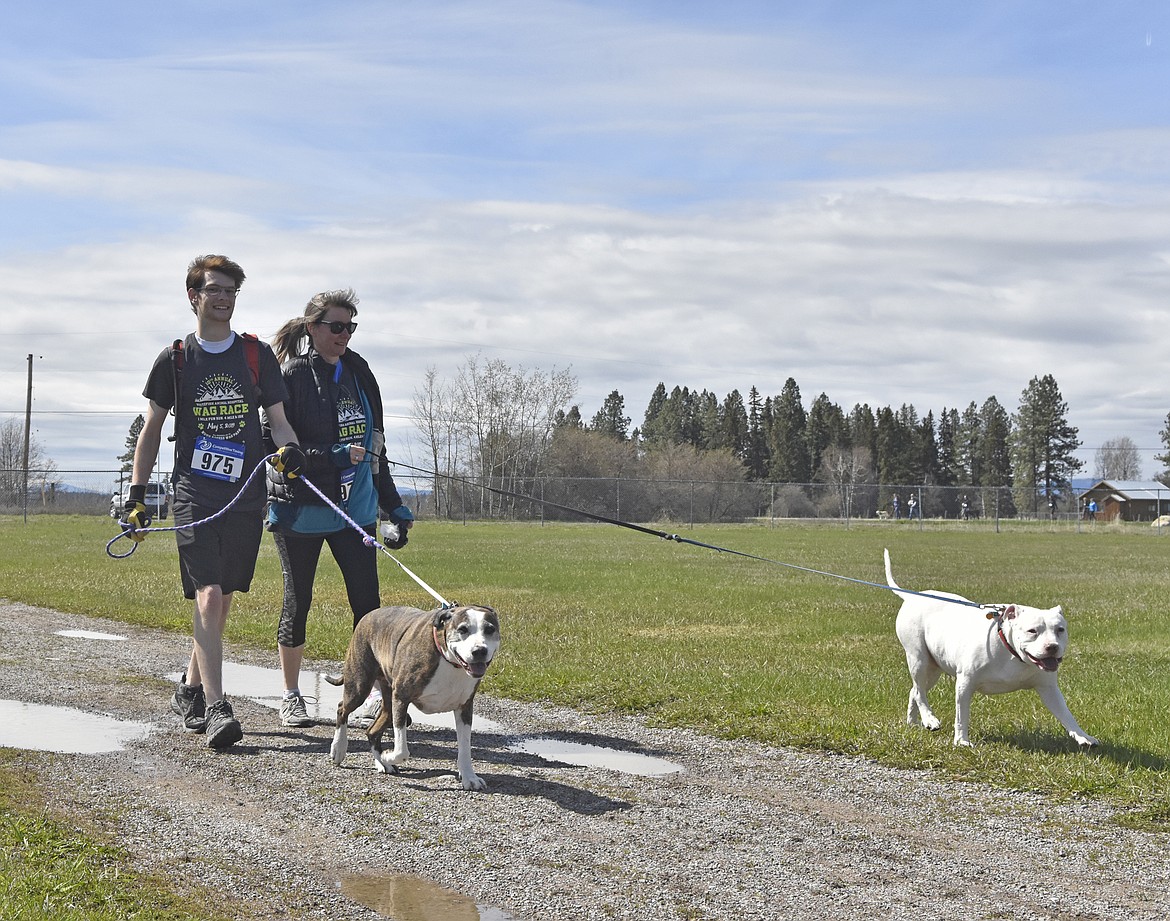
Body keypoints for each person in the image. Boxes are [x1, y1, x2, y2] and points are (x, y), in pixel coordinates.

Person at [125, 255, 302, 750]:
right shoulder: (176, 359)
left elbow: (279, 421)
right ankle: (221, 708)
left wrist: (289, 452)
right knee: (207, 595)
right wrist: (136, 499)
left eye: (230, 291)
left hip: (245, 494)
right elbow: (151, 431)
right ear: (193, 296)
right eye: (214, 290)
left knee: (221, 600)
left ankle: (190, 688)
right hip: (194, 495)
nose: (222, 298)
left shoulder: (254, 355)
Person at [265, 288, 415, 728]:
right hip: (302, 509)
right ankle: (292, 696)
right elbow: (272, 445)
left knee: (369, 608)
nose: (343, 335)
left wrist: (394, 505)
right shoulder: (289, 376)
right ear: (312, 328)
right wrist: (325, 456)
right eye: (335, 326)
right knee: (299, 602)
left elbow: (374, 448)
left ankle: (377, 699)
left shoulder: (359, 374)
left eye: (350, 327)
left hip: (356, 510)